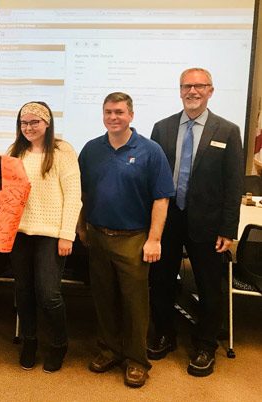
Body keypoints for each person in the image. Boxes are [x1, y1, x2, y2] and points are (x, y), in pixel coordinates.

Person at [148, 68, 244, 377]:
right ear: (179, 91)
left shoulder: (227, 131)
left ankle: (205, 346)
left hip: (209, 224)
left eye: (199, 86)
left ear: (211, 91)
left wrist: (229, 230)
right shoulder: (161, 128)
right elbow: (151, 180)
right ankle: (164, 334)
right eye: (187, 86)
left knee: (209, 287)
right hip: (168, 219)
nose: (192, 91)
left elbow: (233, 184)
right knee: (160, 282)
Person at [77, 92, 174, 388]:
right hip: (97, 235)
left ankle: (136, 361)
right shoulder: (91, 149)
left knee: (135, 303)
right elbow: (80, 192)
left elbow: (161, 198)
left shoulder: (150, 150)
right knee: (103, 298)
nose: (113, 117)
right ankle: (109, 350)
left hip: (133, 238)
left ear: (131, 115)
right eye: (108, 112)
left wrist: (154, 238)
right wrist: (81, 226)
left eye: (119, 112)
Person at [6, 101, 82, 372]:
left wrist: (67, 235)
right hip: (20, 233)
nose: (28, 127)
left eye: (34, 122)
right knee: (23, 292)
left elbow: (74, 195)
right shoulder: (14, 151)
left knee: (49, 294)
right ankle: (29, 341)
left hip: (51, 234)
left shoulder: (62, 151)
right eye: (24, 123)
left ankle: (59, 344)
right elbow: (5, 192)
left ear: (47, 123)